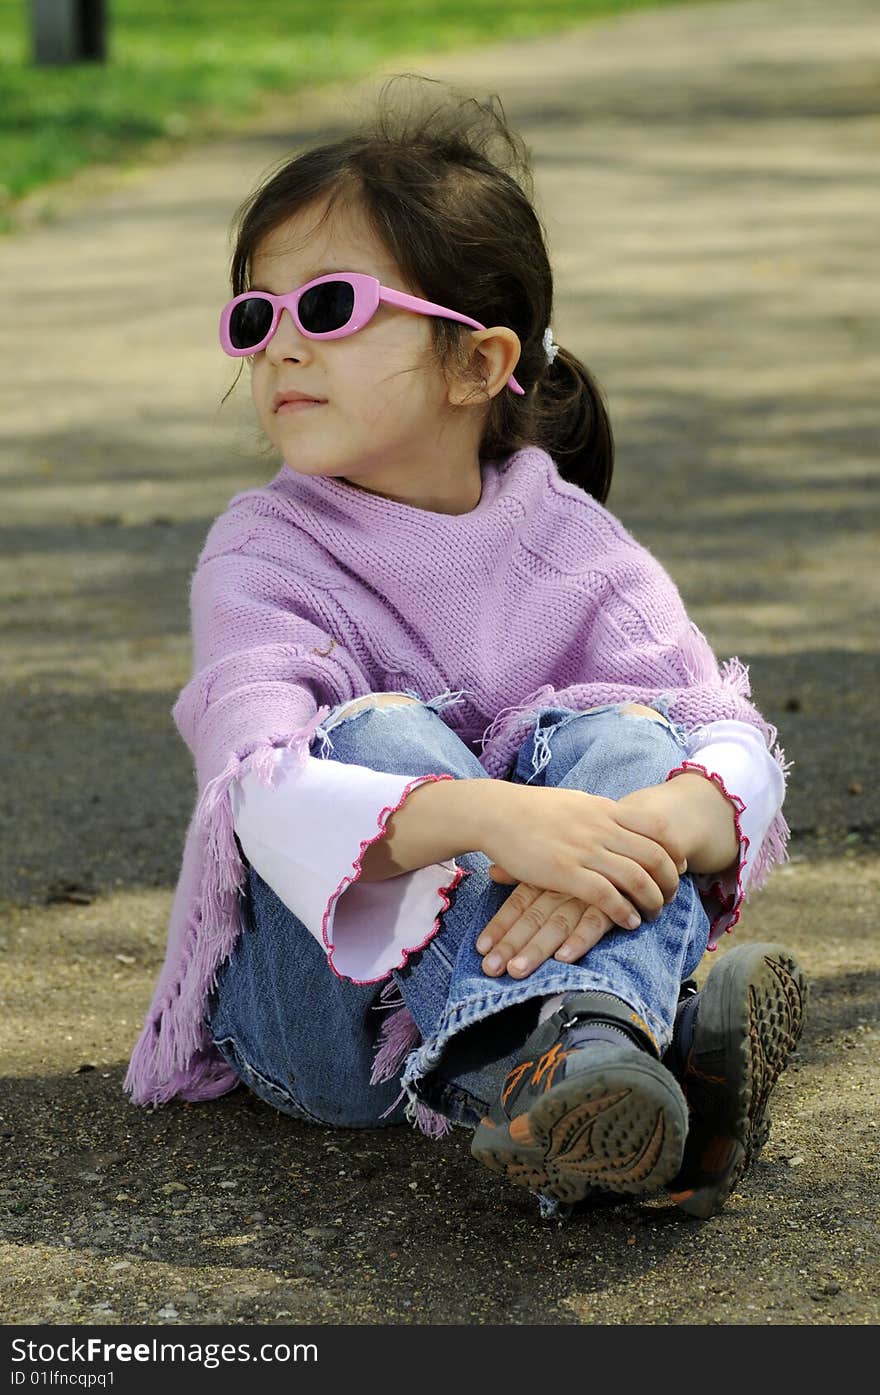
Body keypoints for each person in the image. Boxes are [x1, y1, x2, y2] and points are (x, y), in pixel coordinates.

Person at [124, 76, 807, 1221]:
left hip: (535, 963)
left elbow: (725, 732)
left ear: (476, 365)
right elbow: (257, 791)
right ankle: (627, 1041)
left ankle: (596, 1084)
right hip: (323, 1037)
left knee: (630, 737)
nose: (280, 349)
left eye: (328, 308)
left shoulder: (573, 546)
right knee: (377, 732)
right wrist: (492, 817)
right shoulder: (261, 554)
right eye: (256, 317)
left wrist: (668, 818)